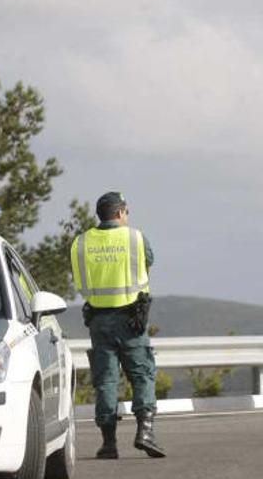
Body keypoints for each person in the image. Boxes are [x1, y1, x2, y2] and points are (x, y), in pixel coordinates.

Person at [70, 191, 165, 460]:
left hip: (98, 320)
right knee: (142, 374)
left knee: (106, 380)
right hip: (131, 319)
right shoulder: (134, 237)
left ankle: (108, 443)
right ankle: (145, 433)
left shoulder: (81, 243)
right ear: (121, 212)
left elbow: (79, 278)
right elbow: (148, 261)